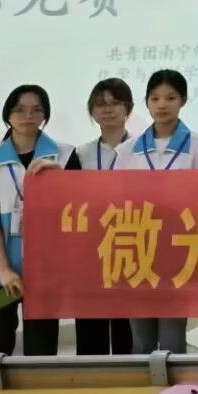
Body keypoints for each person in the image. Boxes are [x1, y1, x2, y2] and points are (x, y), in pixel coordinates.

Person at [122, 69, 198, 353]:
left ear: (183, 100)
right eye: (155, 98)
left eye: (170, 98)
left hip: (179, 249)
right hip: (138, 248)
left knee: (172, 336)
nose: (162, 105)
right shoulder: (127, 150)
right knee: (141, 337)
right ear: (146, 103)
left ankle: (174, 382)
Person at [0, 85, 62, 357]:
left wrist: (63, 178)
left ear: (45, 115)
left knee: (41, 354)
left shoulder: (63, 156)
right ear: (8, 115)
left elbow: (75, 210)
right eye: (20, 110)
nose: (28, 116)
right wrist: (4, 270)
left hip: (45, 274)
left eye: (37, 110)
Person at [67, 78, 135, 355]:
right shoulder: (80, 154)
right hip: (91, 249)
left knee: (126, 324)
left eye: (115, 103)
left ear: (128, 108)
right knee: (90, 322)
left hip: (131, 244)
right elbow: (69, 200)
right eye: (100, 104)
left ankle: (127, 375)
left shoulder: (141, 149)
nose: (107, 110)